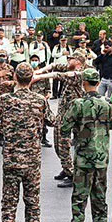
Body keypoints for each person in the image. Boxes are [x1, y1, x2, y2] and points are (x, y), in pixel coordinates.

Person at [0, 63, 54, 222]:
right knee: (33, 202)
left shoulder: (5, 99)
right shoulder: (39, 100)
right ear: (31, 78)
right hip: (32, 161)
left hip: (11, 160)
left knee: (9, 202)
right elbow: (52, 120)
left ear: (15, 77)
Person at [61, 68, 112, 222]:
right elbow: (111, 125)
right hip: (101, 158)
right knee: (100, 197)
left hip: (83, 158)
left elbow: (64, 127)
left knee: (79, 199)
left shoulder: (78, 103)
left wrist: (79, 132)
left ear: (84, 83)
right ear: (98, 83)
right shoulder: (108, 103)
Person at [34, 53, 85, 188]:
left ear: (78, 63)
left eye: (71, 59)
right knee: (59, 144)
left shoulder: (79, 74)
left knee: (62, 144)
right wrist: (41, 69)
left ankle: (71, 174)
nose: (68, 61)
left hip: (72, 117)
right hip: (64, 114)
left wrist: (38, 77)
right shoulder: (70, 68)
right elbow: (54, 66)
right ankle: (67, 166)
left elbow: (58, 75)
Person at [29, 54, 52, 148]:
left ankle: (44, 138)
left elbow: (48, 87)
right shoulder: (28, 72)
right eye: (32, 60)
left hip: (41, 100)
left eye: (36, 60)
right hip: (30, 100)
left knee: (44, 119)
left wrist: (48, 93)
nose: (34, 62)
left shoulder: (43, 73)